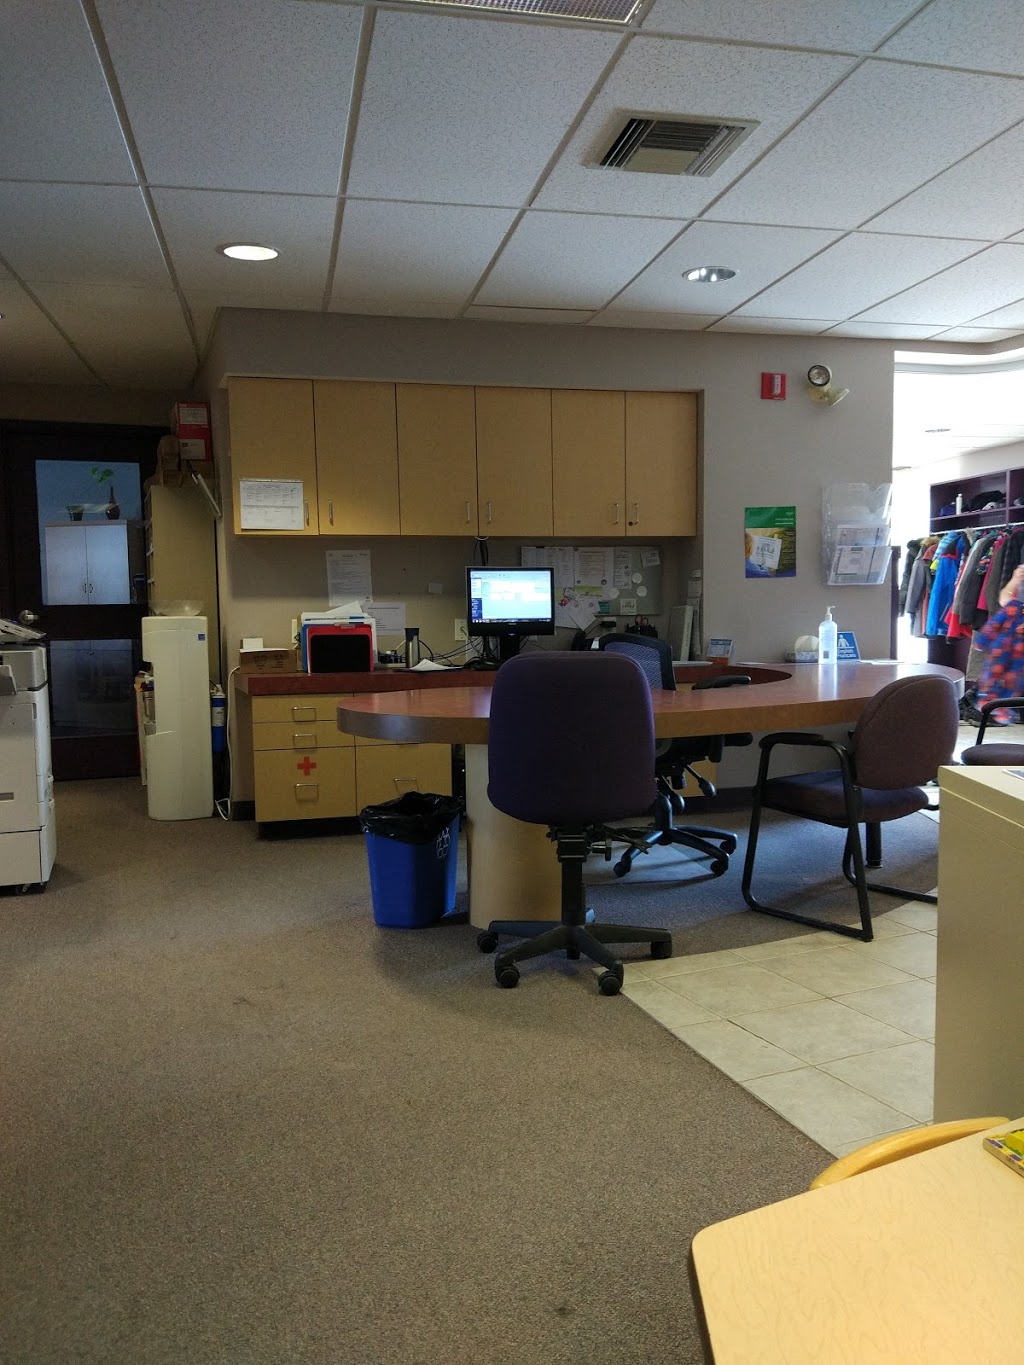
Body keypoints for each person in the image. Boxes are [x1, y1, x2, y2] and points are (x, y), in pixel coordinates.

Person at [977, 562, 1024, 724]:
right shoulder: (1012, 608)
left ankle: (1002, 705)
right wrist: (1016, 579)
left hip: (1015, 649)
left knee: (1013, 678)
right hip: (1006, 646)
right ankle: (993, 701)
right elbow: (1003, 605)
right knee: (997, 673)